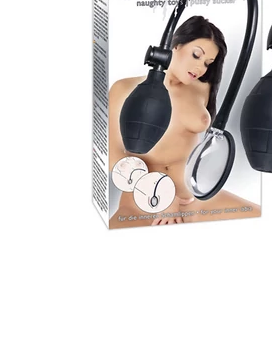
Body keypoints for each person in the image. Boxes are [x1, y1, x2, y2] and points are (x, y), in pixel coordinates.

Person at [108, 15, 261, 228]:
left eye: (208, 63)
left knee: (261, 219)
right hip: (142, 203)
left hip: (196, 201)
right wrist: (159, 194)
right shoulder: (124, 89)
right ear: (176, 44)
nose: (200, 68)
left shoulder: (203, 88)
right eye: (196, 55)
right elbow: (114, 158)